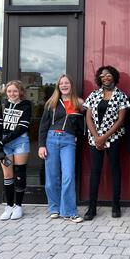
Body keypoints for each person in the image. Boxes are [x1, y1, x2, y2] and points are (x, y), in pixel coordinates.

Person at [83, 65, 130, 220]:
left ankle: (116, 206)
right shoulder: (94, 95)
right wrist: (97, 137)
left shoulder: (121, 95)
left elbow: (121, 119)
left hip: (114, 138)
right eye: (102, 75)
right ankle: (92, 208)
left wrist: (104, 137)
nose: (105, 77)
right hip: (94, 139)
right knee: (95, 172)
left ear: (114, 77)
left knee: (115, 170)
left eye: (108, 74)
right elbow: (88, 117)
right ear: (99, 78)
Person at [38, 74, 85, 223]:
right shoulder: (51, 103)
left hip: (68, 141)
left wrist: (76, 134)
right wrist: (41, 145)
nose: (64, 85)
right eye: (61, 83)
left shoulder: (78, 102)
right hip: (51, 139)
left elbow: (81, 124)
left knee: (68, 176)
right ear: (58, 86)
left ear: (71, 85)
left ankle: (69, 211)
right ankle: (54, 208)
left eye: (66, 83)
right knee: (51, 178)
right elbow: (43, 126)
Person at [0, 80, 31, 220]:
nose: (12, 93)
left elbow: (22, 128)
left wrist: (2, 141)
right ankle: (9, 206)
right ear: (6, 92)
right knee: (8, 175)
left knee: (20, 173)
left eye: (15, 91)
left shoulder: (26, 105)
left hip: (20, 142)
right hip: (5, 144)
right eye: (9, 91)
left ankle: (18, 206)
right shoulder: (3, 104)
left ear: (20, 91)